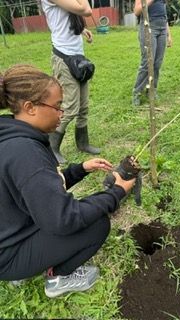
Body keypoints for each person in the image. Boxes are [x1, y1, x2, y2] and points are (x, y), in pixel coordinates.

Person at [0, 64, 135, 298]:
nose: (62, 113)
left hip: (9, 231)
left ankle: (24, 264)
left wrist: (79, 170)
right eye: (58, 106)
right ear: (30, 107)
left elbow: (39, 190)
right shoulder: (26, 154)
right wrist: (116, 193)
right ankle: (58, 278)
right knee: (96, 225)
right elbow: (64, 219)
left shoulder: (11, 136)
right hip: (7, 255)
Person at [41, 0, 100, 164]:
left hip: (77, 56)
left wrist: (82, 30)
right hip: (63, 56)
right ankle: (52, 148)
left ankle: (83, 143)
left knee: (83, 105)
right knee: (70, 107)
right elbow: (85, 9)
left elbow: (63, 19)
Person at [132, 0, 172, 107]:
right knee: (147, 62)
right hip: (149, 27)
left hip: (162, 28)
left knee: (157, 63)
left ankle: (151, 90)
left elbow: (163, 15)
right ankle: (137, 92)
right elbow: (137, 11)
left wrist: (168, 34)